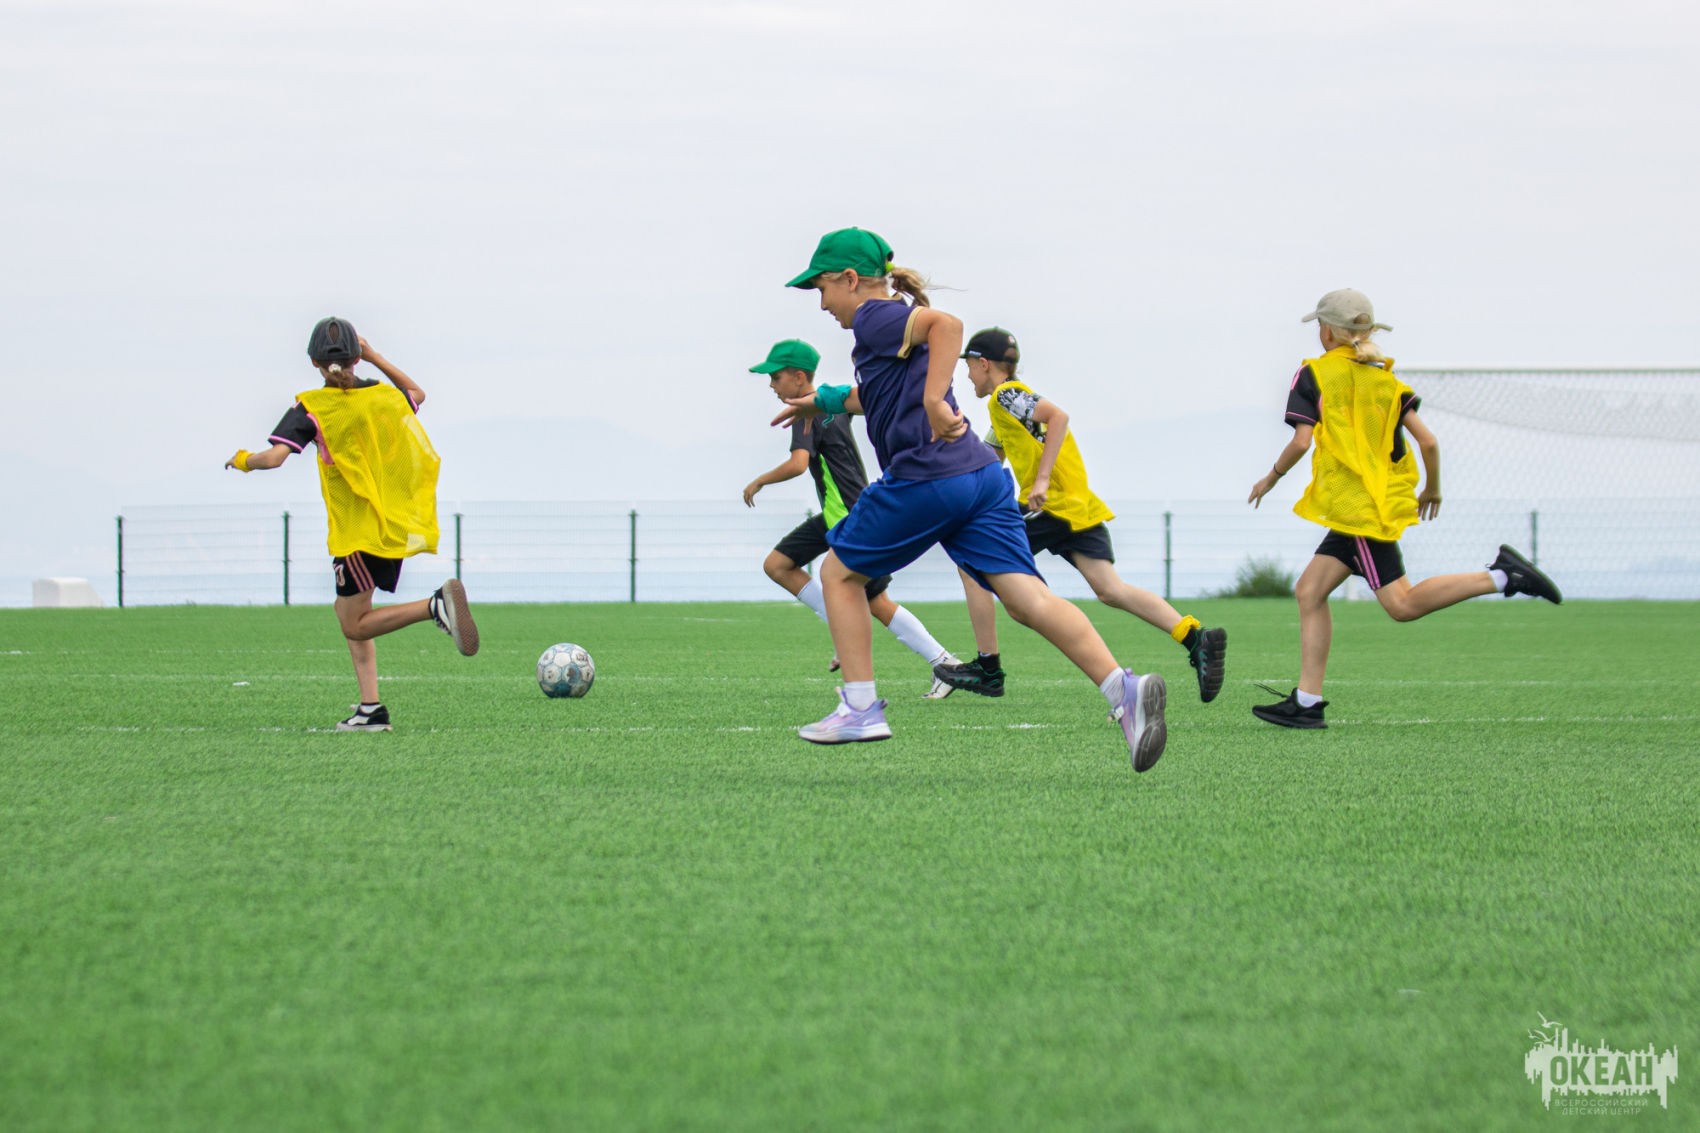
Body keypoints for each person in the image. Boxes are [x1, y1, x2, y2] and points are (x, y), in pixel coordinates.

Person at [776, 227, 1168, 770]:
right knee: (1027, 600)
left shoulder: (872, 315)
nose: (822, 304)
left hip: (927, 474)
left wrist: (935, 401)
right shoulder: (890, 326)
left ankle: (860, 708)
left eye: (821, 288)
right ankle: (1123, 689)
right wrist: (821, 400)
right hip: (982, 478)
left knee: (838, 574)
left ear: (849, 279)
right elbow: (879, 394)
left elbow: (950, 325)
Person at [1245, 289, 1562, 729]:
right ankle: (1307, 701)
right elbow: (1428, 441)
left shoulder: (1313, 373)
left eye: (1319, 324)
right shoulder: (1387, 381)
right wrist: (1433, 488)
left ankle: (1504, 576)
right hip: (1372, 505)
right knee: (1310, 591)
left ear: (1330, 331)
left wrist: (1271, 478)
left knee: (1402, 604)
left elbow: (1301, 441)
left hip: (1357, 511)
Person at [936, 326, 1228, 703]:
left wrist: (1042, 480)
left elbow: (1058, 417)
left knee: (974, 561)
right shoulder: (1005, 409)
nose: (967, 374)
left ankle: (987, 667)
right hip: (1076, 504)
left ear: (984, 364)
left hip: (1050, 504)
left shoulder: (1007, 395)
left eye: (969, 366)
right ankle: (1195, 637)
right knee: (1110, 590)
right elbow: (989, 460)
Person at [224, 316, 477, 732]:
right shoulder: (384, 397)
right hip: (391, 524)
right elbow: (417, 393)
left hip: (356, 531)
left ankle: (433, 606)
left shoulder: (312, 407)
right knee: (347, 611)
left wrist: (241, 461)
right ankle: (370, 709)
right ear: (357, 357)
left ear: (313, 361)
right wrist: (376, 356)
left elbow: (273, 459)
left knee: (354, 623)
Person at [743, 338, 967, 698]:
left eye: (776, 377)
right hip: (842, 513)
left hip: (850, 517)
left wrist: (760, 480)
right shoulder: (833, 406)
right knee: (778, 564)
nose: (772, 385)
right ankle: (843, 627)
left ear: (799, 377)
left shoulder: (807, 412)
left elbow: (799, 464)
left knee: (876, 602)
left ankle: (945, 664)